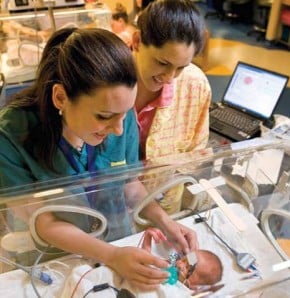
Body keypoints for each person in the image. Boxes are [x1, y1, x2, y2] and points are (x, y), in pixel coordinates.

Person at [0, 27, 199, 291]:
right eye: (104, 117)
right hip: (60, 258)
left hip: (118, 240)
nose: (119, 129)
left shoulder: (120, 113)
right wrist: (110, 256)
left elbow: (128, 183)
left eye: (125, 114)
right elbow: (44, 221)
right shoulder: (11, 135)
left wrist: (165, 221)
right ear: (60, 97)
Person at [132, 0, 212, 214]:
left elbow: (195, 152)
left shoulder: (195, 86)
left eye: (180, 68)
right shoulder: (106, 80)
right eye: (162, 63)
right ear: (137, 41)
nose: (169, 78)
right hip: (109, 202)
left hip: (164, 201)